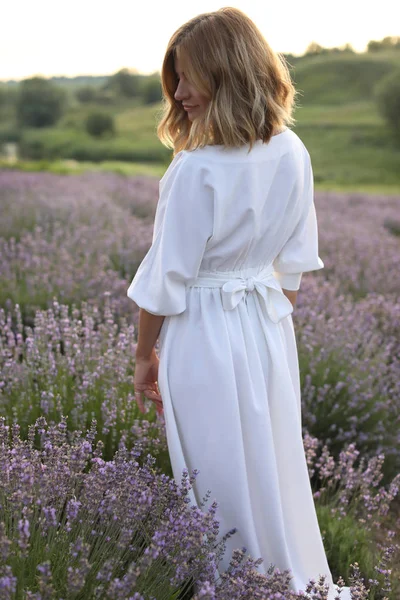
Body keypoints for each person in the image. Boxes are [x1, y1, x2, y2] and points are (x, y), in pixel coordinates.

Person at [127, 7, 351, 599]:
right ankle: (284, 581)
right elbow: (295, 267)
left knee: (216, 477)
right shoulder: (293, 150)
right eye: (174, 77)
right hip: (269, 327)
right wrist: (261, 327)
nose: (178, 92)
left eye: (189, 76)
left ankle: (241, 586)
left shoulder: (194, 169)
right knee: (272, 466)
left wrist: (144, 357)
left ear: (228, 72)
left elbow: (164, 280)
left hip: (201, 332)